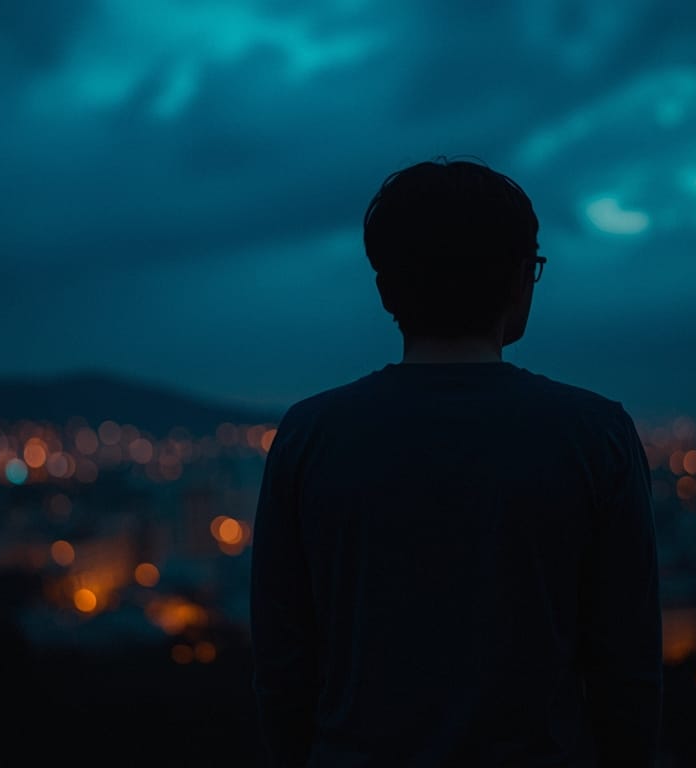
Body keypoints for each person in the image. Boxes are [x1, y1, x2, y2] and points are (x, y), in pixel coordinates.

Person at [249, 157, 662, 767]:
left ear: (386, 287)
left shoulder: (310, 436)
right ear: (522, 278)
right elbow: (626, 671)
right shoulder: (596, 437)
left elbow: (283, 665)